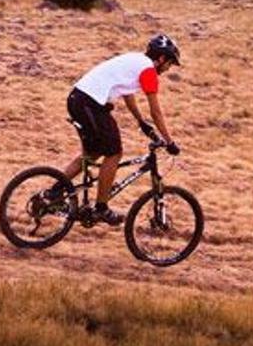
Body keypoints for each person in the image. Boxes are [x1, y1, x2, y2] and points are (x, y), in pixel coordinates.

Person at [61, 34, 180, 225]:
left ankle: (54, 193)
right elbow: (156, 111)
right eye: (170, 63)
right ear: (161, 58)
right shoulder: (148, 70)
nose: (168, 69)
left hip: (78, 100)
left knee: (93, 154)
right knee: (114, 152)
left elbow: (127, 94)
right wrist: (169, 141)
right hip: (89, 104)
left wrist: (141, 122)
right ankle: (101, 208)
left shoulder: (136, 61)